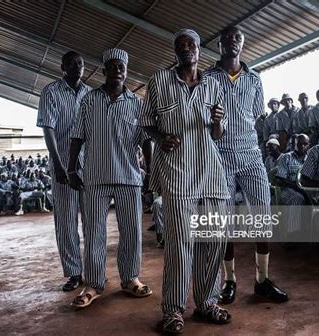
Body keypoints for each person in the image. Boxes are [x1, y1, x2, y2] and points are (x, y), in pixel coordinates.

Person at [141, 28, 231, 333]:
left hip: (211, 173)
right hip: (177, 172)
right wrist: (161, 138)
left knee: (214, 239)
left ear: (199, 50)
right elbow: (147, 125)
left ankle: (207, 302)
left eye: (190, 44)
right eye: (180, 46)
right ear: (175, 53)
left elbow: (219, 135)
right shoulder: (159, 82)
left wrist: (217, 122)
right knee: (180, 242)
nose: (186, 49)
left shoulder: (214, 84)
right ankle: (174, 310)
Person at [205, 25, 288, 307]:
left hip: (251, 154)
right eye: (226, 39)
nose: (232, 43)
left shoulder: (254, 78)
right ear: (219, 45)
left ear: (243, 43)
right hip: (221, 154)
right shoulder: (208, 77)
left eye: (237, 38)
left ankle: (262, 280)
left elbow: (255, 115)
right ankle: (229, 281)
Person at [68, 48, 153, 309]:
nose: (118, 71)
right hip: (95, 177)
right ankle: (93, 284)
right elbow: (77, 137)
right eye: (113, 67)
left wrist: (149, 173)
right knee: (94, 232)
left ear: (126, 72)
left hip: (129, 176)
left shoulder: (137, 104)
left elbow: (146, 141)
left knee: (132, 231)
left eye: (122, 67)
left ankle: (130, 279)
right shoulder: (89, 101)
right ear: (104, 71)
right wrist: (72, 169)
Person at [36, 51, 92, 291]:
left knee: (93, 220)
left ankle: (93, 269)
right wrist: (58, 165)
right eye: (72, 63)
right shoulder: (51, 92)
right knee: (67, 221)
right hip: (63, 165)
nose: (77, 66)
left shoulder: (91, 94)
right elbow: (48, 129)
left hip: (89, 165)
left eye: (80, 62)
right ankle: (73, 273)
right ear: (62, 67)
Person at [276, 134, 310, 235]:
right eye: (299, 144)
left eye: (305, 144)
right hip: (288, 189)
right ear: (294, 144)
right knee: (297, 199)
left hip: (308, 189)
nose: (302, 146)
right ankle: (292, 234)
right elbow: (280, 179)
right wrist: (298, 187)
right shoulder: (287, 157)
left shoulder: (311, 159)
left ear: (309, 145)